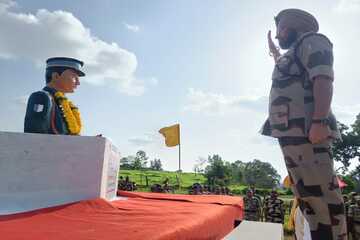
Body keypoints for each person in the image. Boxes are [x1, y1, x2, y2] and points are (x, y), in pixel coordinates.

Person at [261, 8, 346, 239]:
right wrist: (275, 54)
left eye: (279, 31)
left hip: (308, 131)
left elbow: (323, 79)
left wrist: (319, 121)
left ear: (288, 27)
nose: (277, 36)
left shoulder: (313, 41)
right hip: (293, 133)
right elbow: (291, 72)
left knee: (323, 200)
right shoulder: (295, 52)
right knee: (308, 198)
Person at [24, 57, 85, 135]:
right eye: (73, 77)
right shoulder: (41, 97)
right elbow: (35, 135)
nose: (78, 82)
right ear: (56, 76)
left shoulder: (65, 104)